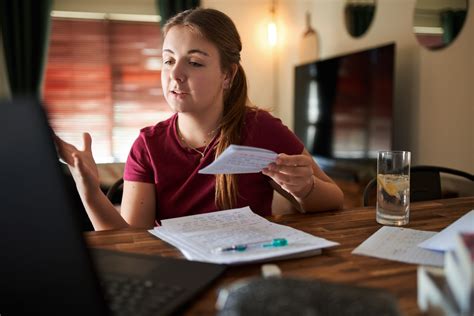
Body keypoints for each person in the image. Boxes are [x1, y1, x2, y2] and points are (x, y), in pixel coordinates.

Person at [55, 8, 344, 231]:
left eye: (194, 62)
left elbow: (335, 198)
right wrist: (90, 190)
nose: (175, 74)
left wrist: (304, 188)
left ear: (227, 75)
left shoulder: (261, 128)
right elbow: (132, 240)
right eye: (168, 60)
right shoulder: (148, 146)